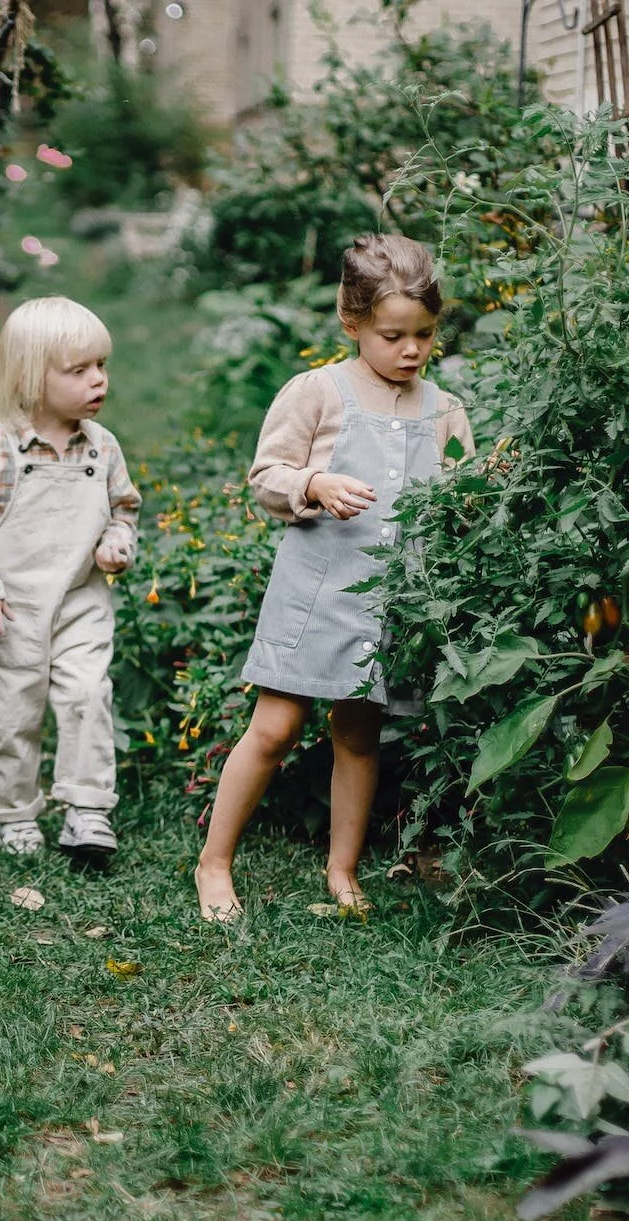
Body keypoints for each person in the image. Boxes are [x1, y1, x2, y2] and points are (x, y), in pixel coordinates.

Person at [194, 235, 474, 922]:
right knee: (276, 727)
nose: (411, 350)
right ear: (352, 324)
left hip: (393, 602)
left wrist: (478, 490)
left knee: (358, 734)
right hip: (317, 589)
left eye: (425, 335)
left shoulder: (444, 409)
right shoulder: (318, 390)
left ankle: (343, 869)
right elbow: (266, 476)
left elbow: (459, 494)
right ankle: (215, 862)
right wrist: (313, 481)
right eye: (393, 335)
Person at [0, 296, 141, 862]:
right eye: (78, 371)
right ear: (32, 378)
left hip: (81, 598)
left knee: (86, 696)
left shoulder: (101, 448)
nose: (98, 380)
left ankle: (87, 810)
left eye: (101, 366)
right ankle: (16, 811)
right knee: (13, 716)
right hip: (12, 608)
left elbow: (124, 509)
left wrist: (114, 544)